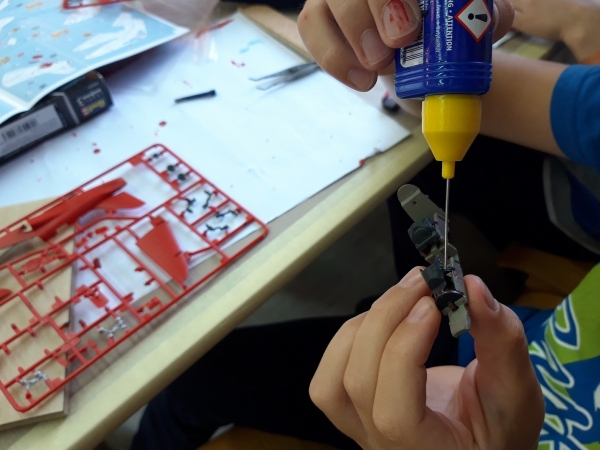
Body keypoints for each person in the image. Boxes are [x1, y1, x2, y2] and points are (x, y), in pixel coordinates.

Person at [130, 0, 600, 447]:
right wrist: (408, 44)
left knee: (191, 384)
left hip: (476, 391)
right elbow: (440, 93)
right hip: (515, 347)